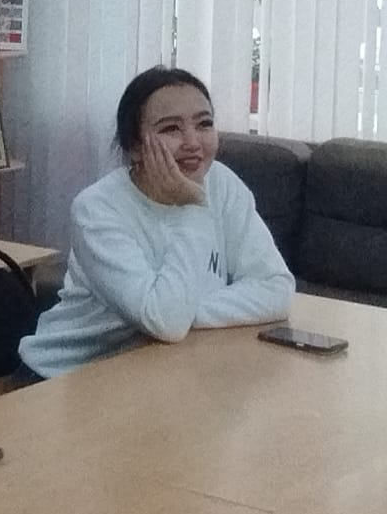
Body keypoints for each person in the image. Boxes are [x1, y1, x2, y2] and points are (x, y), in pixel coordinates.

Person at [18, 66, 295, 379]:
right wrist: (193, 206)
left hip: (160, 366)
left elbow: (276, 289)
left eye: (204, 124)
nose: (193, 142)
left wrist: (181, 310)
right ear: (135, 147)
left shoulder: (223, 184)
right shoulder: (96, 209)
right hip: (67, 376)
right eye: (171, 129)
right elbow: (165, 322)